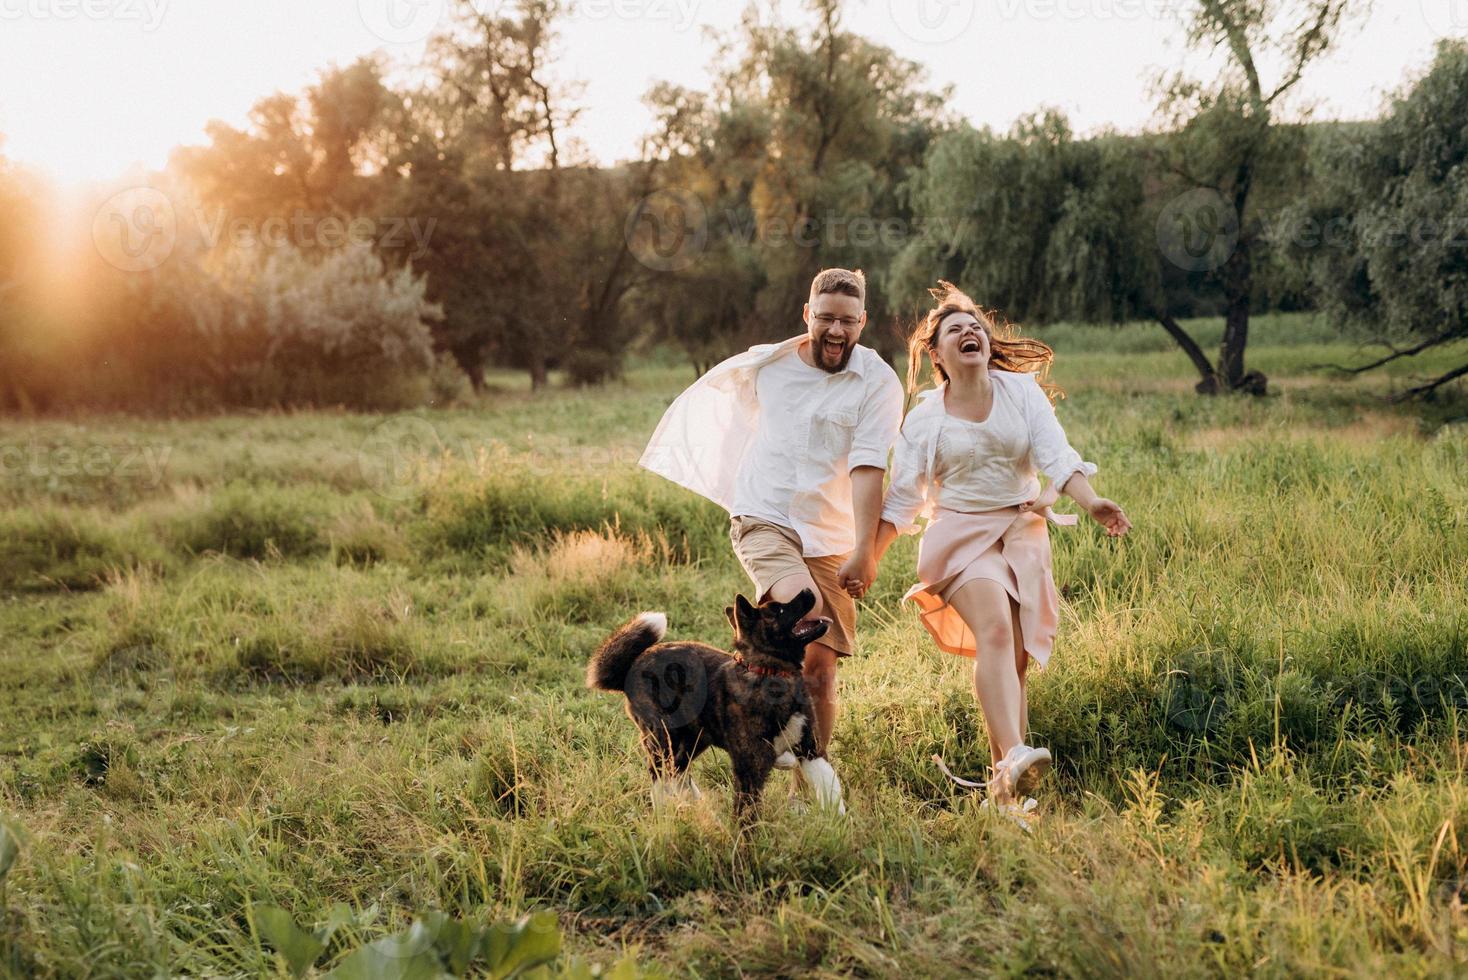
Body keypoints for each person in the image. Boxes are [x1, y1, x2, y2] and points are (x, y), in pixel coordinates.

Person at [640, 268, 904, 791]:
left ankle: (813, 779)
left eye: (847, 322)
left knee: (822, 669)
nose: (835, 331)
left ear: (863, 322)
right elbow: (725, 413)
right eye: (825, 318)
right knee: (807, 615)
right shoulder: (770, 366)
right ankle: (740, 718)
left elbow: (869, 467)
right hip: (763, 515)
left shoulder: (878, 382)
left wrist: (865, 550)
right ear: (807, 315)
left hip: (831, 534)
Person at [873, 282, 1131, 815]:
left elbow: (1057, 457)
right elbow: (901, 499)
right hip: (959, 538)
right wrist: (866, 557)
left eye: (976, 328)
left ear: (986, 344)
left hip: (1020, 533)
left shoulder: (1020, 392)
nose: (970, 333)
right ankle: (1014, 752)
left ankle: (1006, 796)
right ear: (938, 353)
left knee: (1013, 658)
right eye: (955, 330)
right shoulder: (925, 419)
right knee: (993, 627)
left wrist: (1091, 501)